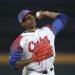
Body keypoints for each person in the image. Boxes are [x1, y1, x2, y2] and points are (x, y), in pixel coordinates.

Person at [9, 9, 68, 75]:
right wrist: (31, 59)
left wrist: (46, 13)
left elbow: (63, 18)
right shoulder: (20, 40)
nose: (31, 18)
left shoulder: (48, 30)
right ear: (23, 24)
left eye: (31, 16)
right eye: (27, 18)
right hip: (32, 72)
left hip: (51, 72)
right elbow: (14, 64)